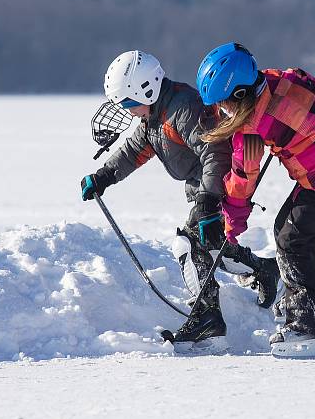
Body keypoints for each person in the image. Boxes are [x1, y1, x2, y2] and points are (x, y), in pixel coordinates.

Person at [81, 50, 280, 353]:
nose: (128, 111)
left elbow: (215, 153)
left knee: (187, 244)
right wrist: (104, 175)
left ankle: (208, 318)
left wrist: (207, 202)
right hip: (206, 190)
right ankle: (263, 270)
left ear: (145, 91)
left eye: (129, 104)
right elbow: (135, 150)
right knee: (211, 245)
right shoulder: (155, 115)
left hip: (221, 186)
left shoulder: (183, 109)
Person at [196, 42, 315, 358]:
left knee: (291, 241)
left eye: (225, 105)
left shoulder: (253, 129)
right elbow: (303, 79)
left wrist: (232, 220)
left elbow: (243, 180)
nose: (223, 112)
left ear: (242, 95)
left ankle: (306, 325)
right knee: (289, 230)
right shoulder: (270, 81)